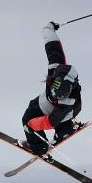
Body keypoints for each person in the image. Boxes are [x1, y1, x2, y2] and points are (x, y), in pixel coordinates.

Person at [22, 21, 83, 156]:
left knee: (27, 120)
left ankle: (40, 148)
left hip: (66, 111)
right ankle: (66, 129)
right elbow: (52, 44)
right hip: (48, 101)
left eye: (60, 96)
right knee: (32, 104)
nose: (58, 97)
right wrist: (48, 28)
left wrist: (31, 125)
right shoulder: (57, 65)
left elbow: (51, 121)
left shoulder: (67, 101)